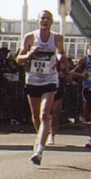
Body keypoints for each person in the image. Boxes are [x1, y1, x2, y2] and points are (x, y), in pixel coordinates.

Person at [17, 9, 64, 165]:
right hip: (33, 79)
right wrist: (29, 54)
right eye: (42, 18)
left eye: (48, 19)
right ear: (38, 21)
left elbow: (61, 53)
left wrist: (60, 57)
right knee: (36, 115)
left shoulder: (57, 38)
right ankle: (40, 137)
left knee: (45, 114)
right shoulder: (30, 37)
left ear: (52, 22)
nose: (45, 21)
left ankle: (39, 151)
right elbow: (19, 59)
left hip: (49, 79)